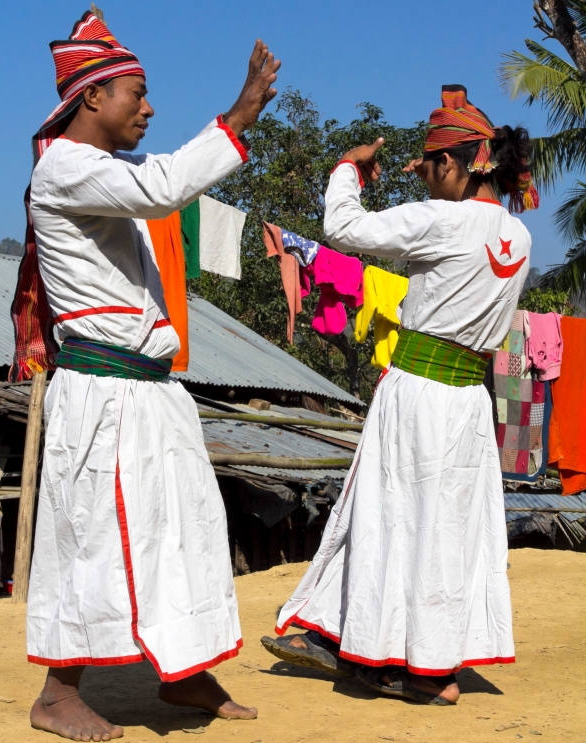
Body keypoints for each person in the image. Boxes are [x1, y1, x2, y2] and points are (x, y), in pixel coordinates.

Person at [11, 10, 280, 741]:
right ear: (92, 98)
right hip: (99, 392)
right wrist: (239, 115)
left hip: (151, 390)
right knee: (89, 537)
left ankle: (185, 671)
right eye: (139, 91)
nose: (150, 106)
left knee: (183, 529)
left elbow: (151, 187)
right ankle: (57, 693)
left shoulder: (103, 177)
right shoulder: (65, 169)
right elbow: (165, 186)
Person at [262, 85, 536, 706]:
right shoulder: (519, 240)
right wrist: (436, 177)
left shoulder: (437, 219)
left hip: (414, 393)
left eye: (430, 161)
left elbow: (341, 226)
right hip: (469, 402)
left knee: (386, 519)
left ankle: (372, 649)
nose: (425, 172)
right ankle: (433, 668)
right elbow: (458, 224)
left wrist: (350, 169)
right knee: (445, 532)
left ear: (454, 164)